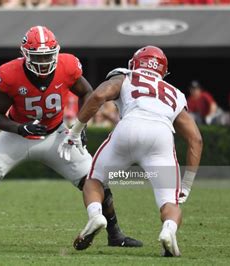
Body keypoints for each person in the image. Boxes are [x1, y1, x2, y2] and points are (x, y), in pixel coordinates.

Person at [0, 26, 142, 248]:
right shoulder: (10, 74)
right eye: (38, 56)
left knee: (94, 180)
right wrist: (19, 128)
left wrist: (80, 126)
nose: (44, 61)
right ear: (25, 55)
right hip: (18, 135)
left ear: (56, 52)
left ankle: (115, 234)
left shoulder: (68, 65)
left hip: (57, 134)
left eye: (48, 55)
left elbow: (87, 92)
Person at [59, 46, 203, 256]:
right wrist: (187, 184)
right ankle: (168, 229)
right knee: (169, 203)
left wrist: (75, 130)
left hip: (129, 127)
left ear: (135, 63)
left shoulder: (127, 76)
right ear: (163, 71)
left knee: (94, 180)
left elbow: (99, 95)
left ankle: (96, 215)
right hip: (160, 135)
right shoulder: (175, 93)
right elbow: (196, 139)